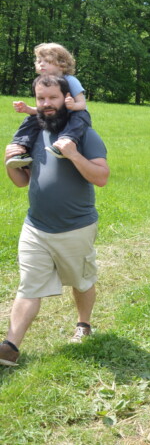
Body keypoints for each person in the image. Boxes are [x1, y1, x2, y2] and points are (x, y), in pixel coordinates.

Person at [0, 75, 109, 367]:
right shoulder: (34, 132)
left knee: (81, 281)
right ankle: (10, 347)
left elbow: (101, 177)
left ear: (66, 98)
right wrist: (9, 162)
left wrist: (73, 155)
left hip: (76, 227)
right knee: (28, 285)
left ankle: (83, 324)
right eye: (41, 99)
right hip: (36, 226)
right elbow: (21, 181)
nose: (46, 104)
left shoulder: (85, 135)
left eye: (52, 98)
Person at [6, 43, 92, 168]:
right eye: (39, 61)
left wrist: (73, 106)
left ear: (62, 64)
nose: (41, 64)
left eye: (46, 61)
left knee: (80, 116)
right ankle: (20, 149)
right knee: (30, 120)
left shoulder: (70, 80)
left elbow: (82, 104)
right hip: (54, 117)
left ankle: (65, 142)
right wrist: (28, 109)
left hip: (73, 115)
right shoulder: (42, 82)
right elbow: (45, 108)